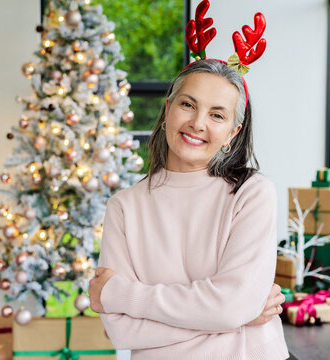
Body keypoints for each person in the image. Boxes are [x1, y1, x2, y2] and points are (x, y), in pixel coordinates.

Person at [87, 57, 289, 359]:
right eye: (188, 105)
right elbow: (120, 330)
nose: (197, 123)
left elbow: (231, 307)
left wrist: (121, 294)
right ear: (168, 109)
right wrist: (238, 316)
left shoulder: (251, 194)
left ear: (233, 133)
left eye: (217, 115)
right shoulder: (124, 208)